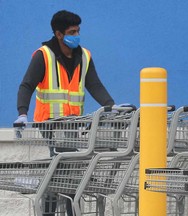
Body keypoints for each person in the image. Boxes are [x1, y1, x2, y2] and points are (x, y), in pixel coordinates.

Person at [14, 10, 115, 216]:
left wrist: (110, 106)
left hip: (72, 123)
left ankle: (55, 210)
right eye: (72, 31)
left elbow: (94, 84)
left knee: (64, 169)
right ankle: (60, 211)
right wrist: (22, 113)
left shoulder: (84, 55)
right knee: (64, 166)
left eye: (78, 31)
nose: (76, 35)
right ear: (59, 34)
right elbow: (27, 85)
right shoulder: (44, 55)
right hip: (50, 123)